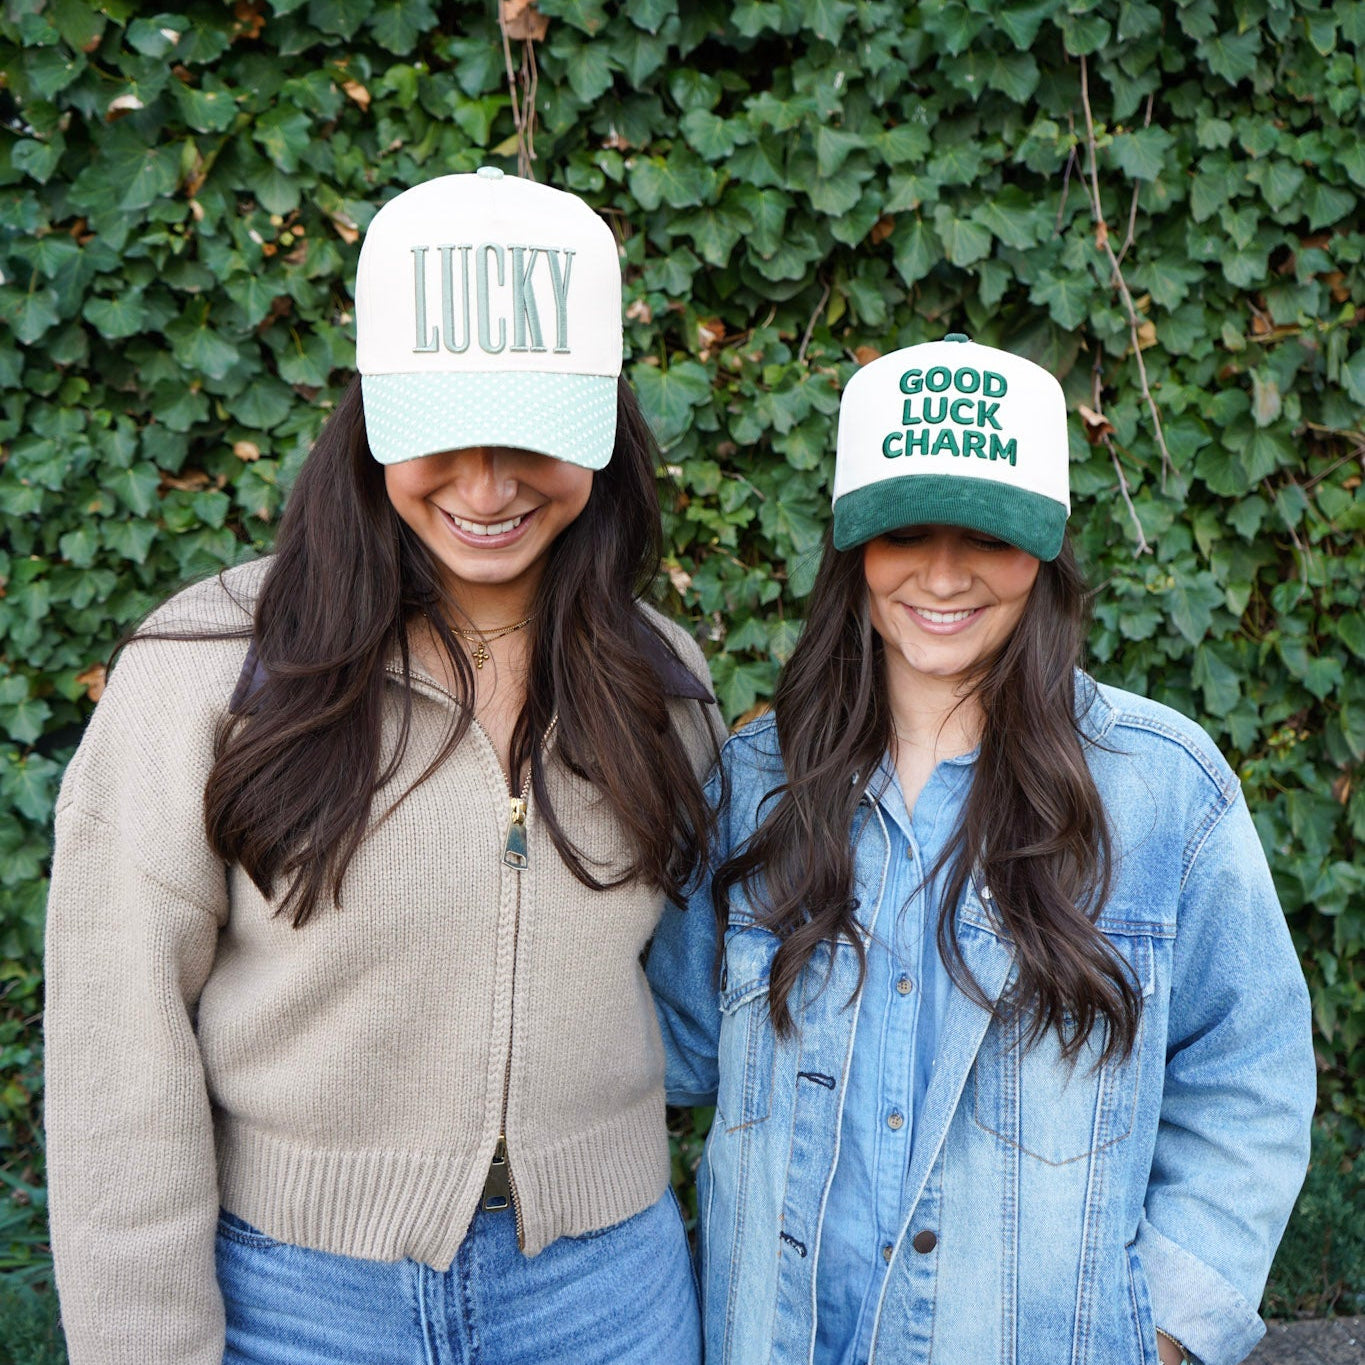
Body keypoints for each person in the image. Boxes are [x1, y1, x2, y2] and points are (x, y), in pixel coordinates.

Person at [45, 168, 722, 1365]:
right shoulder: (202, 669)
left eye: (532, 436)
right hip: (294, 1306)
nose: (486, 487)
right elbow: (118, 1059)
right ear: (365, 417)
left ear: (607, 425)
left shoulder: (661, 680)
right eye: (438, 433)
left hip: (605, 1295)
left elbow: (685, 983)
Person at [648, 335, 1316, 1365]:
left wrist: (1168, 1334)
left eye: (988, 537)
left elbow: (1249, 1077)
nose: (945, 575)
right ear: (853, 546)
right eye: (907, 531)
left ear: (1043, 548)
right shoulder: (754, 785)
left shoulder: (1162, 792)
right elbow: (662, 1057)